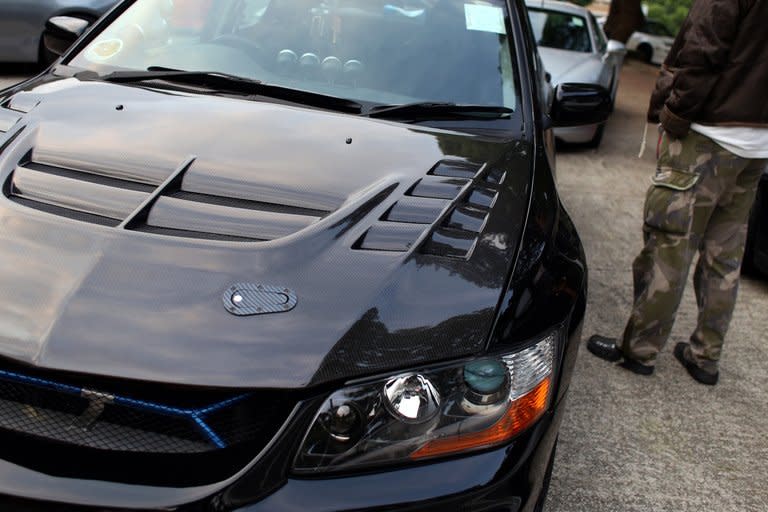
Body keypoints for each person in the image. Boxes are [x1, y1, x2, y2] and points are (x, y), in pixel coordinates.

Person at [587, 0, 768, 385]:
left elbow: (702, 52)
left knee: (669, 245)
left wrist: (675, 114)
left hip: (706, 135)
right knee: (725, 257)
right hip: (756, 147)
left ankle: (639, 350)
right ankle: (705, 357)